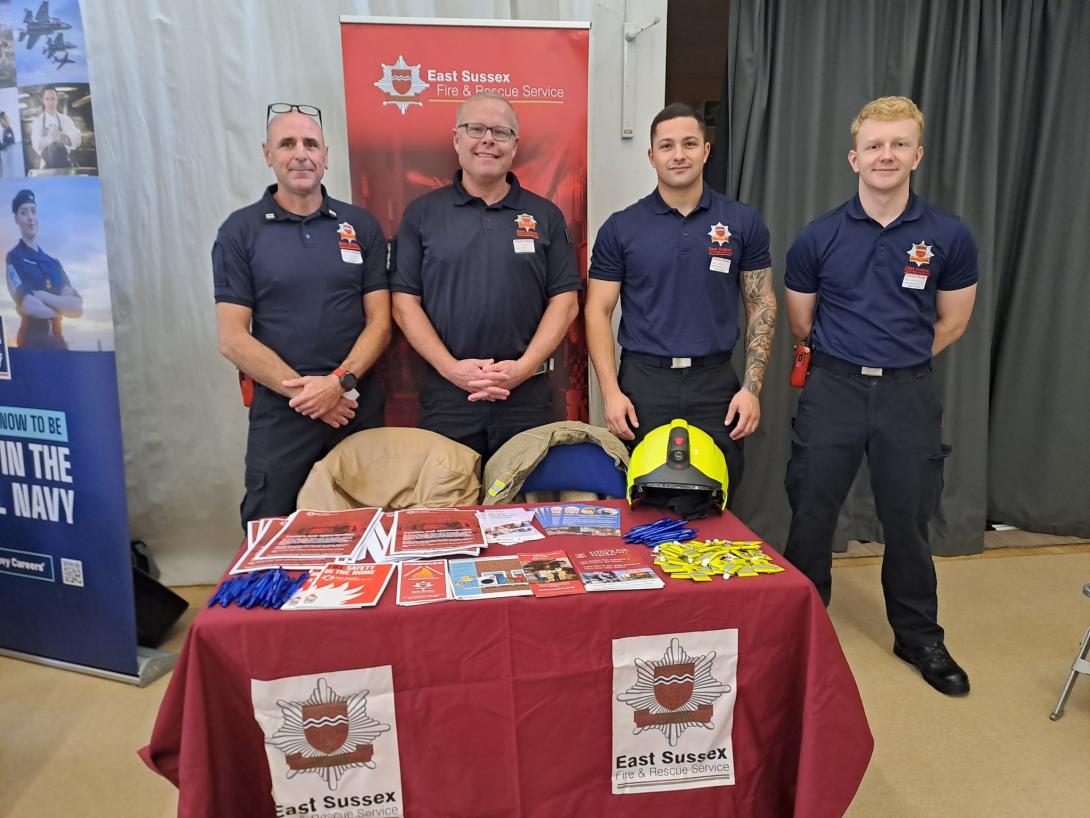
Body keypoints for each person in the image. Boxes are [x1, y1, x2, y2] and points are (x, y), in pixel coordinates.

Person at [783, 96, 978, 696]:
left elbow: (953, 321)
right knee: (812, 515)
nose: (885, 155)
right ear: (854, 157)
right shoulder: (819, 236)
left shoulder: (949, 234)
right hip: (833, 390)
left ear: (917, 154)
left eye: (898, 144)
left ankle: (919, 636)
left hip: (907, 394)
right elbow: (800, 323)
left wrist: (898, 360)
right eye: (874, 145)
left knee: (909, 521)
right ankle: (803, 630)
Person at [585, 103, 776, 499]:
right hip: (643, 385)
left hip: (716, 385)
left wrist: (752, 390)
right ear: (651, 155)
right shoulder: (622, 227)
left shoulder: (741, 222)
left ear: (706, 151)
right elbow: (597, 311)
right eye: (667, 145)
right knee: (641, 499)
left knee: (716, 497)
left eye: (690, 143)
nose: (679, 154)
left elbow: (762, 304)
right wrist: (611, 393)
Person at [214, 104, 392, 526]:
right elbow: (232, 338)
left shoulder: (360, 226)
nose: (301, 154)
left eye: (311, 144)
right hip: (282, 413)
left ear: (326, 155)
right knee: (270, 532)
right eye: (287, 144)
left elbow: (381, 323)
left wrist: (337, 384)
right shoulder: (240, 231)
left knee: (364, 530)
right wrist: (309, 397)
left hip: (354, 406)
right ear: (267, 154)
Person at [391, 92, 580, 460]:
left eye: (500, 131)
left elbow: (566, 302)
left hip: (527, 395)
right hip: (449, 396)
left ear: (515, 145)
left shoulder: (546, 216)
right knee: (448, 510)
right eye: (476, 129)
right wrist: (452, 370)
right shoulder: (422, 215)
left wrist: (522, 370)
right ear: (456, 139)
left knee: (527, 509)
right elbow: (403, 304)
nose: (488, 140)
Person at [5, 188, 81, 349]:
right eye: (24, 213)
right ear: (17, 219)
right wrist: (60, 309)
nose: (30, 218)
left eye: (33, 211)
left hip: (59, 343)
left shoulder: (54, 263)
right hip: (32, 343)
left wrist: (43, 296)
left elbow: (76, 307)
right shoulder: (14, 258)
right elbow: (29, 306)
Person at [30, 86, 81, 169]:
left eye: (53, 99)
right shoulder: (38, 121)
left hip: (65, 166)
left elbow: (77, 139)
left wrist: (60, 136)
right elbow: (36, 143)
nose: (50, 102)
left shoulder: (65, 119)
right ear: (43, 101)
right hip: (46, 167)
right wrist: (50, 138)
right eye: (47, 99)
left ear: (57, 100)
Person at [0, 112, 16, 177]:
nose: (0, 123)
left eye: (1, 121)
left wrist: (1, 145)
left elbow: (10, 142)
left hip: (9, 156)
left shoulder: (8, 129)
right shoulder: (4, 130)